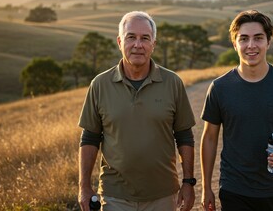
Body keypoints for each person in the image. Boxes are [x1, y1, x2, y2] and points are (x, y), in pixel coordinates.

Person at [78, 11, 197, 211]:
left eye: (145, 38)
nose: (138, 45)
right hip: (114, 195)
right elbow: (89, 138)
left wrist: (188, 182)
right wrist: (84, 187)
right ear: (119, 41)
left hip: (163, 195)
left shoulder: (173, 82)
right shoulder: (100, 84)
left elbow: (185, 136)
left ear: (154, 44)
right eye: (131, 37)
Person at [200, 10, 273, 211]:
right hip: (234, 189)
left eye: (258, 38)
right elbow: (209, 138)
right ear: (235, 44)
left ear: (268, 42)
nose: (251, 45)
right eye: (243, 39)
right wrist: (206, 187)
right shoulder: (219, 87)